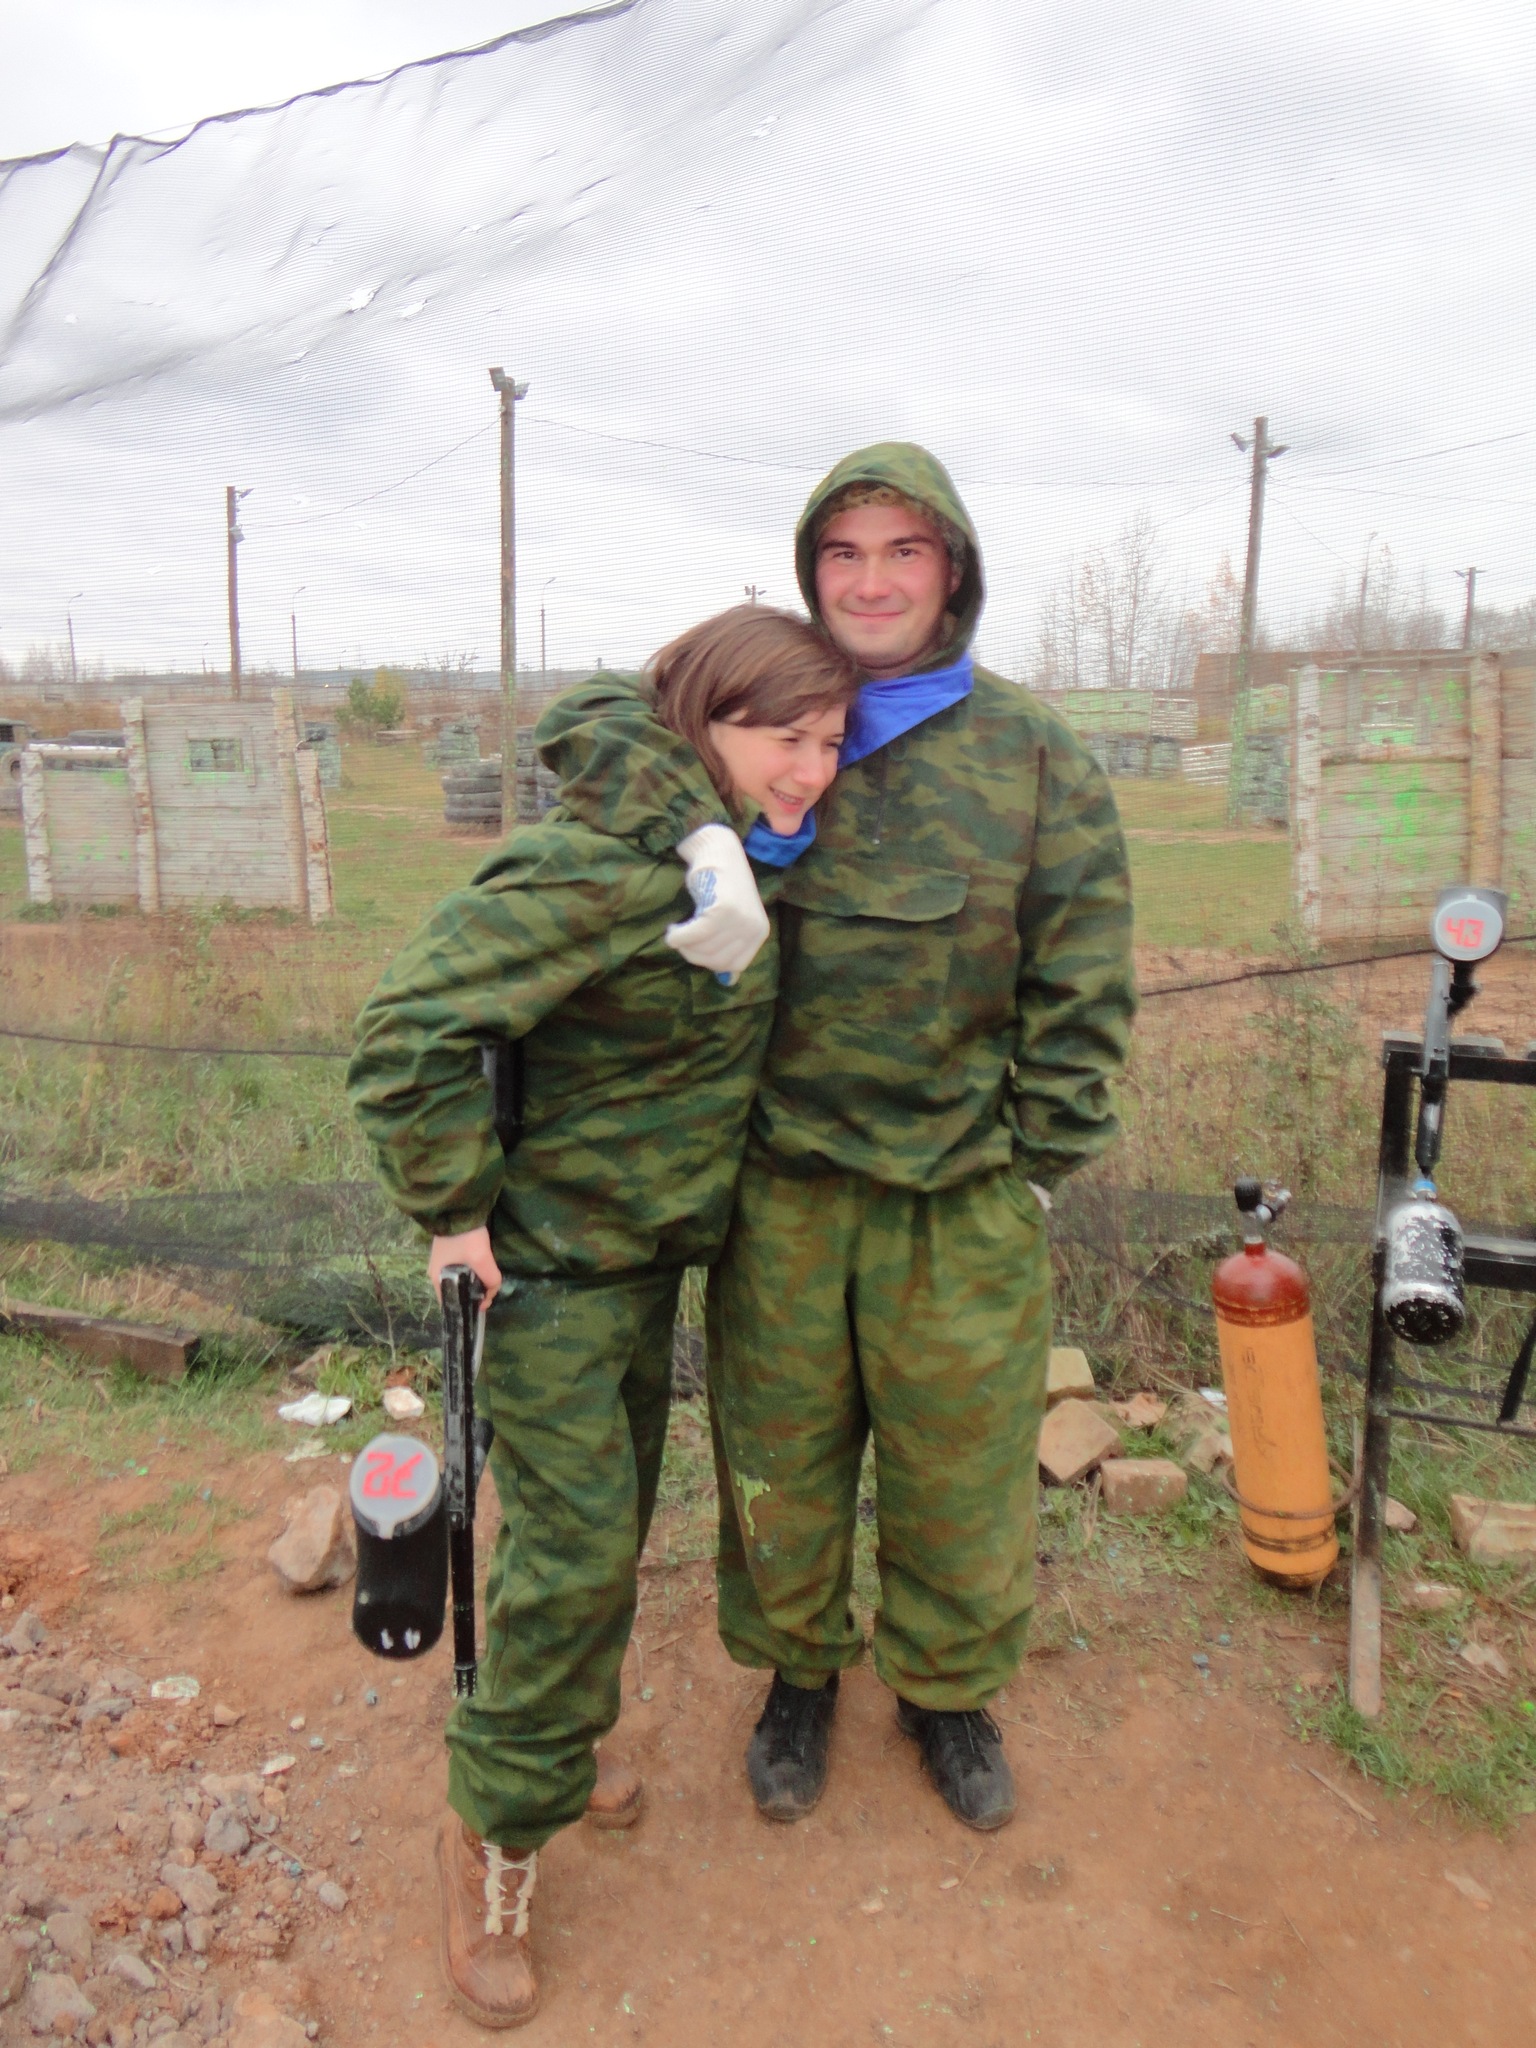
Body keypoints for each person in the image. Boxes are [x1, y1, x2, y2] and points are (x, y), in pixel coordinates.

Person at [539, 444, 1136, 1836]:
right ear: (811, 572)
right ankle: (799, 1673)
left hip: (959, 1197)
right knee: (781, 1459)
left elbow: (1083, 971)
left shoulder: (1030, 750)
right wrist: (698, 830)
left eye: (903, 552)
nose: (872, 582)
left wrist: (1038, 1164)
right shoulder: (767, 715)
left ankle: (946, 1693)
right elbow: (585, 721)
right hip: (780, 1192)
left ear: (952, 571)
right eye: (844, 554)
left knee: (961, 1471)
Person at [347, 604, 859, 2029]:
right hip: (552, 1279)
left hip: (644, 1269)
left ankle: (552, 1746)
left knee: (595, 1532)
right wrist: (455, 1207)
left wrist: (715, 837)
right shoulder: (597, 870)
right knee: (575, 1558)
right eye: (783, 736)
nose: (810, 769)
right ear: (705, 721)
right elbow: (405, 1033)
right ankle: (493, 1836)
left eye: (829, 741)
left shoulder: (721, 856)